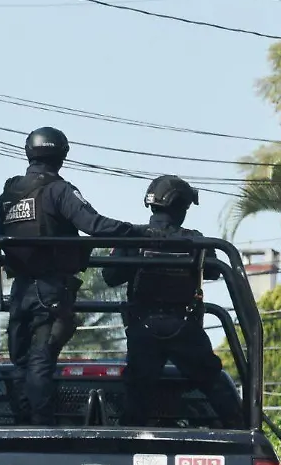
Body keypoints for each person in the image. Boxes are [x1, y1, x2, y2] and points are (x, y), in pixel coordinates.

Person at [0, 126, 157, 426]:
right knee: (40, 362)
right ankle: (40, 428)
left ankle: (22, 423)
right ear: (61, 154)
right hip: (51, 292)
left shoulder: (9, 193)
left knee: (20, 363)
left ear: (29, 152)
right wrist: (138, 232)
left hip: (19, 293)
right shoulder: (58, 190)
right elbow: (93, 224)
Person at [100, 174, 244, 429]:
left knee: (137, 392)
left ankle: (127, 442)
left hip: (143, 329)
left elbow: (110, 276)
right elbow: (212, 271)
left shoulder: (133, 237)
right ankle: (243, 429)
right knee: (213, 379)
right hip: (184, 328)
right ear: (180, 208)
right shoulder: (196, 240)